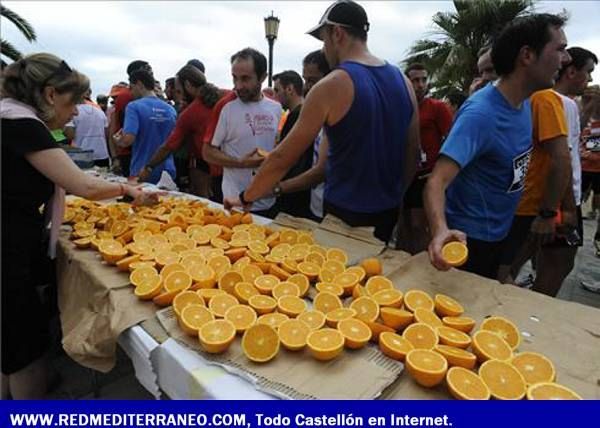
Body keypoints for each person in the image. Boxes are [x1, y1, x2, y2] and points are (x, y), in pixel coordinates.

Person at [1, 53, 159, 399]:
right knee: (21, 345)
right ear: (50, 94)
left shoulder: (9, 116)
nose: (76, 112)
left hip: (13, 237)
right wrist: (126, 189)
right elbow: (83, 187)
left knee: (8, 342)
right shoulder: (22, 124)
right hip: (7, 248)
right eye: (73, 102)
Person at [224, 0, 420, 243]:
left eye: (324, 40)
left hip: (344, 215)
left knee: (337, 278)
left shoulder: (333, 85)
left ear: (337, 33)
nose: (325, 49)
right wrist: (396, 195)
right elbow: (412, 152)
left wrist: (245, 197)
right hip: (388, 211)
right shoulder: (403, 81)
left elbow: (283, 157)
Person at [424, 13, 570, 279]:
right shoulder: (481, 115)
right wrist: (440, 230)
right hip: (466, 241)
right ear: (527, 55)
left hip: (501, 233)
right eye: (559, 49)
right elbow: (436, 181)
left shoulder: (525, 102)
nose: (567, 58)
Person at [500, 47, 596, 296]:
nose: (590, 79)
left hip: (546, 199)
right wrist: (560, 208)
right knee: (553, 264)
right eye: (588, 72)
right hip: (551, 200)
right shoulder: (549, 100)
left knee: (525, 261)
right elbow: (561, 158)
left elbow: (570, 145)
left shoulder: (559, 102)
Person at [202, 48, 282, 218]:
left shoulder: (275, 108)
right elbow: (207, 152)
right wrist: (241, 162)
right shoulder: (225, 106)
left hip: (268, 200)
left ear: (262, 77)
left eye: (245, 79)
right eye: (235, 78)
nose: (238, 86)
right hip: (235, 203)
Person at [139, 65, 225, 198]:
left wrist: (148, 167)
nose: (179, 97)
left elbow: (169, 146)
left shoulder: (190, 113)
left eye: (179, 91)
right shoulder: (227, 96)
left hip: (207, 169)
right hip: (235, 165)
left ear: (188, 85)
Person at [399, 62, 453, 254]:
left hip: (426, 173)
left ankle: (424, 262)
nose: (420, 84)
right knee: (403, 224)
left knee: (418, 224)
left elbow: (451, 139)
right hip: (404, 172)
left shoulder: (437, 107)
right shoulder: (401, 107)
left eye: (423, 79)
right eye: (415, 80)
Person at [275, 50, 332, 221]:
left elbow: (319, 170)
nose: (307, 86)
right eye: (306, 80)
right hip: (314, 204)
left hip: (329, 210)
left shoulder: (335, 117)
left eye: (312, 80)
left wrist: (276, 188)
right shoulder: (317, 114)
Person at [113, 68, 177, 184]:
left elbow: (128, 139)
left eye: (131, 88)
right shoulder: (170, 109)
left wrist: (118, 141)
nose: (131, 93)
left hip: (142, 169)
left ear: (139, 84)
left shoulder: (134, 107)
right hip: (167, 169)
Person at [272, 70, 314, 219]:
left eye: (277, 90)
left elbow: (291, 156)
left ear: (289, 89)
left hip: (294, 192)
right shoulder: (301, 112)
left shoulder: (298, 115)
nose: (275, 96)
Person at [109, 60, 153, 177]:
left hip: (141, 151)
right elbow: (126, 130)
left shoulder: (148, 98)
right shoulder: (127, 96)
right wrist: (116, 156)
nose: (151, 74)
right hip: (131, 152)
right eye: (147, 70)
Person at [64, 91, 111, 168]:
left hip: (82, 155)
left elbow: (70, 135)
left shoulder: (73, 112)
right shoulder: (100, 112)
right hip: (102, 154)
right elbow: (106, 134)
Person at [581, 84, 600, 257]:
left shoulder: (596, 124)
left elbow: (594, 151)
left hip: (594, 169)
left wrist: (582, 154)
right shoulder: (585, 117)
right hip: (585, 168)